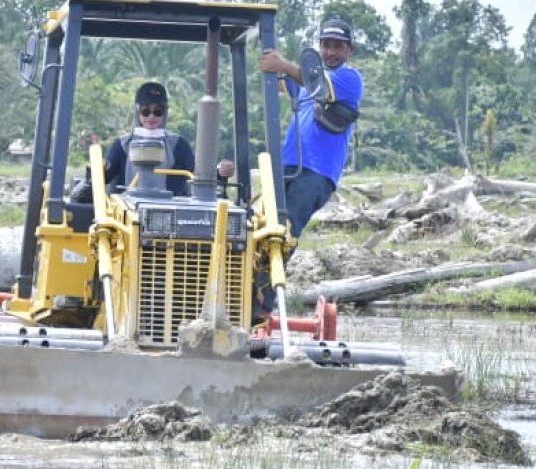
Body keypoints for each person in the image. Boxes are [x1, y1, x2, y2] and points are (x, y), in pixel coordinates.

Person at [253, 18, 363, 319]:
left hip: (316, 172)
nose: (331, 52)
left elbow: (311, 82)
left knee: (282, 233)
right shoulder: (305, 82)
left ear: (349, 50)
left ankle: (260, 311)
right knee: (259, 228)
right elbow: (283, 80)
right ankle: (245, 293)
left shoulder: (348, 78)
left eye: (338, 46)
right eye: (326, 45)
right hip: (287, 165)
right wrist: (268, 57)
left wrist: (283, 65)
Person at [72, 81, 232, 201]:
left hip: (172, 216)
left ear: (165, 112)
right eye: (145, 111)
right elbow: (99, 182)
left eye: (157, 112)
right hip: (126, 214)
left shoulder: (179, 145)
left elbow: (197, 175)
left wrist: (218, 172)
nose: (151, 117)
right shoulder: (122, 145)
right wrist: (98, 170)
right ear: (137, 110)